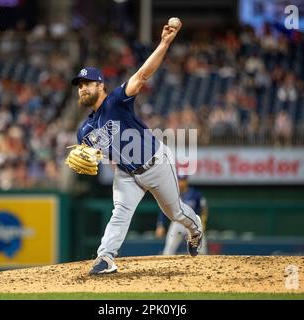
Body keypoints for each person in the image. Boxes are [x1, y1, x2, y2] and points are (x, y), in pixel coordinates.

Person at [70, 20, 204, 275]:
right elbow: (96, 158)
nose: (82, 88)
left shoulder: (116, 101)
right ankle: (105, 258)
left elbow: (142, 75)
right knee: (120, 212)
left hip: (156, 163)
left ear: (100, 85)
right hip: (126, 174)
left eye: (87, 83)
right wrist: (89, 160)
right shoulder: (84, 131)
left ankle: (195, 228)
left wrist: (165, 42)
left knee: (175, 212)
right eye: (79, 86)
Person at [155, 174, 208, 255]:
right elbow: (164, 210)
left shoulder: (196, 194)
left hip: (193, 223)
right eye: (179, 181)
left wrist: (202, 223)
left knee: (202, 250)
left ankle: (205, 264)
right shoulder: (172, 195)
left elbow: (203, 210)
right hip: (178, 223)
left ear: (186, 181)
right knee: (169, 249)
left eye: (183, 180)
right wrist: (160, 225)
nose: (181, 183)